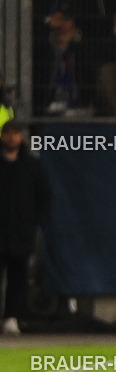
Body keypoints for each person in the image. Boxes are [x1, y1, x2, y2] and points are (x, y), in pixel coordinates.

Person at [0, 121, 51, 336]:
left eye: (15, 134)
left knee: (18, 276)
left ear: (21, 137)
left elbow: (43, 198)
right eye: (8, 133)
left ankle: (11, 318)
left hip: (22, 232)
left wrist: (36, 223)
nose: (12, 138)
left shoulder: (31, 166)